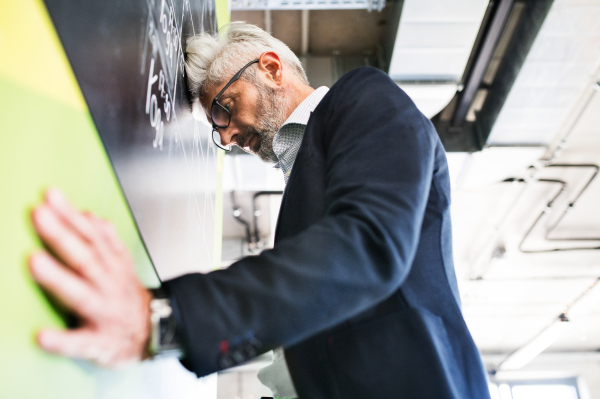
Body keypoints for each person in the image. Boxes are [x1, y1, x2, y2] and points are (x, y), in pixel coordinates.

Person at [29, 22, 491, 399]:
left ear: (270, 68)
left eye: (224, 111)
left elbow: (368, 247)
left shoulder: (362, 96)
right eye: (217, 127)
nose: (227, 139)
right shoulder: (303, 193)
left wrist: (166, 320)